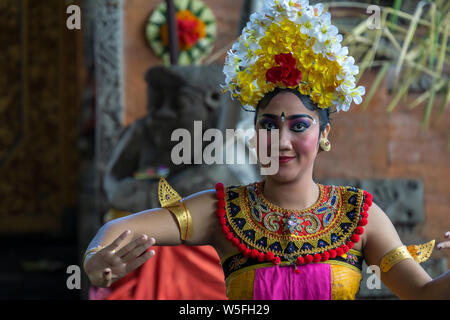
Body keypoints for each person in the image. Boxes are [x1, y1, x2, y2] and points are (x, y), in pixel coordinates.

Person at [83, 0, 450, 299]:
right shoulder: (221, 210)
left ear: (323, 133)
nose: (282, 141)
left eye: (299, 126)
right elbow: (119, 226)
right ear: (253, 134)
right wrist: (95, 259)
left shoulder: (360, 215)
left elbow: (424, 294)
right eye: (268, 125)